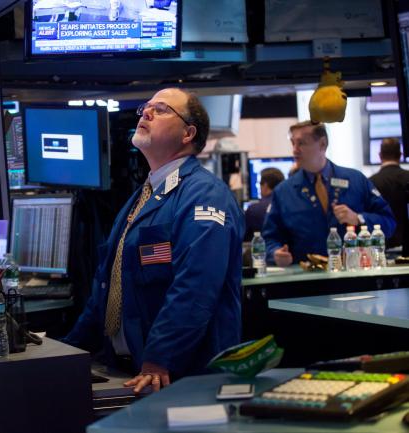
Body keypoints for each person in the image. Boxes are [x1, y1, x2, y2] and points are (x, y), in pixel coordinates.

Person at [63, 88, 244, 393]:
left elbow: (196, 287)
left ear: (188, 133)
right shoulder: (143, 197)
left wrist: (161, 357)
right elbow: (107, 287)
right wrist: (67, 351)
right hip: (131, 369)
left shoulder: (204, 194)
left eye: (160, 110)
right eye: (146, 107)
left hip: (180, 374)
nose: (146, 112)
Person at [262, 121, 395, 266]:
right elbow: (269, 239)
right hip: (306, 280)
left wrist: (358, 218)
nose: (295, 150)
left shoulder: (355, 180)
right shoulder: (283, 192)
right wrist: (274, 253)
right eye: (293, 143)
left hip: (354, 277)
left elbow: (388, 222)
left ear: (322, 144)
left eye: (301, 143)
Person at [369, 138, 409, 248]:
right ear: (400, 155)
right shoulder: (408, 178)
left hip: (382, 248)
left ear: (380, 155)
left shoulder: (370, 183)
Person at [244, 167, 285, 241]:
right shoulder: (290, 206)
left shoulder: (253, 210)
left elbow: (244, 237)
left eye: (259, 183)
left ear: (265, 185)